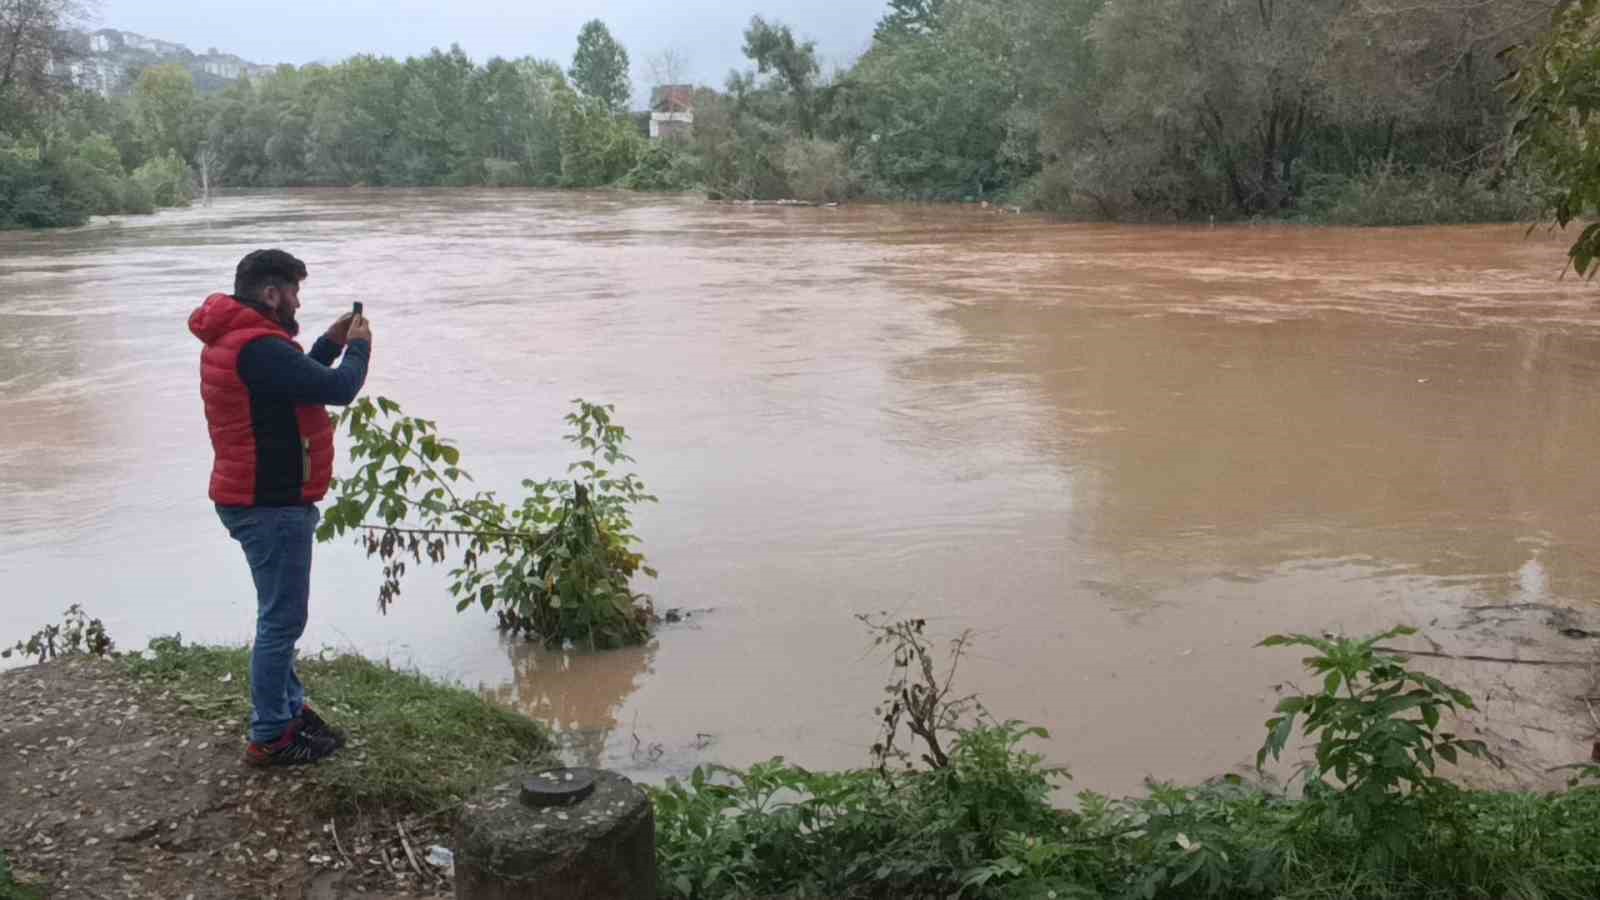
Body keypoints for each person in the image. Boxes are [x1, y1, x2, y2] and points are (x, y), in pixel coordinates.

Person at [188, 249, 373, 766]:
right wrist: (358, 349)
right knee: (282, 622)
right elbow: (337, 389)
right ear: (272, 294)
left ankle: (288, 712)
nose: (298, 301)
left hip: (253, 497)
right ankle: (271, 735)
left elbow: (297, 382)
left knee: (279, 617)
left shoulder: (243, 340)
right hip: (270, 504)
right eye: (295, 292)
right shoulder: (260, 348)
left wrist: (331, 342)